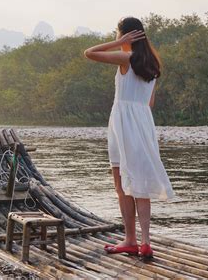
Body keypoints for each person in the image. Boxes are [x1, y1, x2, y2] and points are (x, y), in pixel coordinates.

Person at [84, 16, 175, 259]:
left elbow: (89, 52)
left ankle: (130, 240)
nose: (117, 38)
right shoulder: (153, 63)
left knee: (122, 185)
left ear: (126, 35)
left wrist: (119, 43)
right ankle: (145, 242)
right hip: (144, 124)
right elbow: (150, 102)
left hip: (123, 124)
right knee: (141, 184)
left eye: (118, 34)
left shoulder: (127, 58)